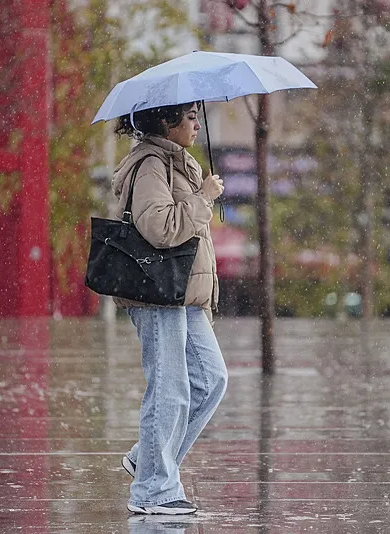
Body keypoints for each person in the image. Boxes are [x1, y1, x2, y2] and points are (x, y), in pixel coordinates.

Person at [111, 101, 228, 515]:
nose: (197, 123)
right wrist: (204, 198)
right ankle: (153, 490)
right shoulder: (149, 166)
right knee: (169, 388)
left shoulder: (180, 163)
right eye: (190, 116)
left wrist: (200, 195)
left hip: (183, 292)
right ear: (166, 121)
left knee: (211, 379)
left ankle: (148, 460)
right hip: (157, 290)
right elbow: (160, 227)